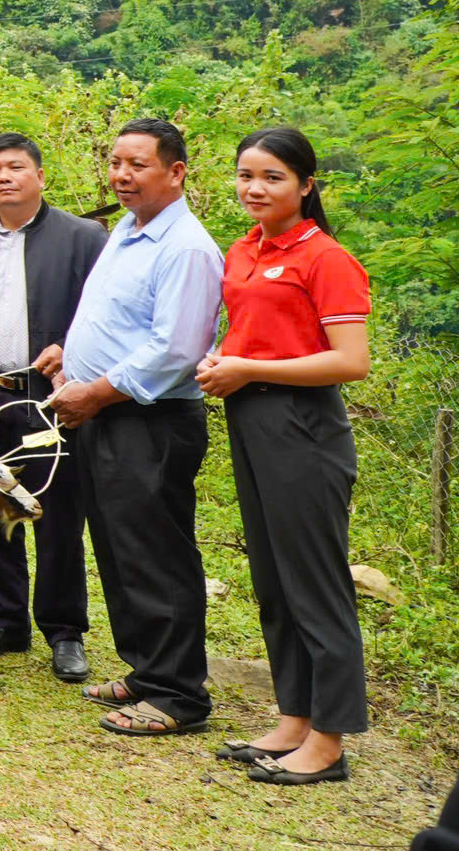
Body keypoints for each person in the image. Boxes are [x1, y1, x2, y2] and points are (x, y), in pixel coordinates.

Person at [196, 126, 371, 783]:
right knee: (273, 580)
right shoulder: (246, 248)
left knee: (316, 584)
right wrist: (229, 360)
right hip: (250, 417)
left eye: (272, 176)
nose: (255, 188)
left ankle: (329, 741)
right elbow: (253, 331)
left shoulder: (325, 258)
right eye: (246, 174)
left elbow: (351, 361)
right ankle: (294, 718)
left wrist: (247, 367)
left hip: (302, 425)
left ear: (305, 185)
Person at [51, 116, 223, 738]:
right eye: (116, 163)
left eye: (138, 165)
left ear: (175, 173)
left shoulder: (187, 247)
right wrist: (67, 361)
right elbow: (114, 320)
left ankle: (178, 694)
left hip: (147, 420)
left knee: (155, 552)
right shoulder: (129, 229)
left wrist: (94, 391)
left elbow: (174, 349)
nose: (122, 176)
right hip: (102, 412)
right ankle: (147, 671)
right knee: (119, 549)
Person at [0, 131, 107, 683]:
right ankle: (7, 619)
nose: (2, 177)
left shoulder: (83, 238)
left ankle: (64, 631)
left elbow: (103, 313)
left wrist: (74, 350)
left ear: (39, 176)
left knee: (56, 516)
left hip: (52, 399)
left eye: (14, 167)